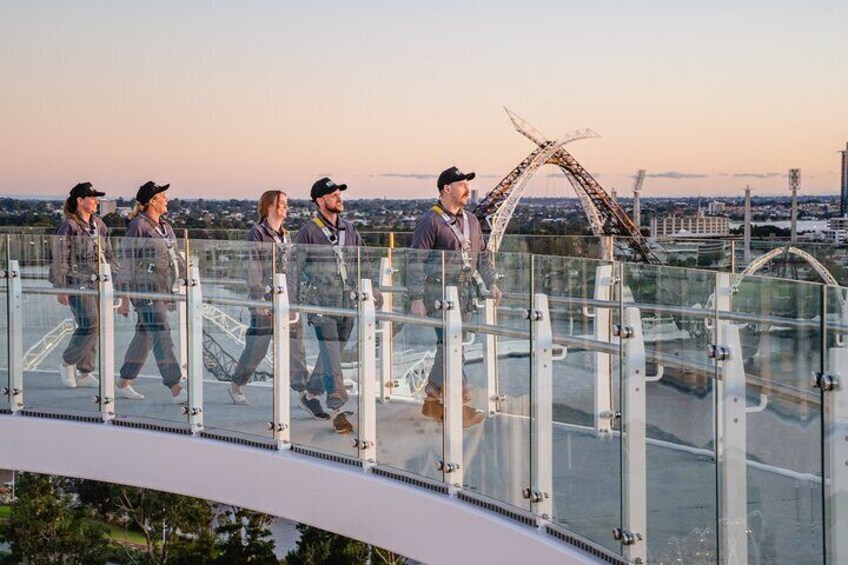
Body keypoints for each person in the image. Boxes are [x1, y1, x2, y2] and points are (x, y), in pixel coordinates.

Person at [408, 166, 502, 427]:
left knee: (450, 348)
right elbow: (416, 260)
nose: (467, 189)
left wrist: (491, 281)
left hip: (464, 295)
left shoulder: (471, 220)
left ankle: (432, 399)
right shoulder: (430, 222)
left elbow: (482, 254)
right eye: (461, 184)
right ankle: (459, 404)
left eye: (467, 184)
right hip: (438, 295)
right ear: (446, 189)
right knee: (453, 347)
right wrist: (416, 297)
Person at [295, 177, 380, 434]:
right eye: (333, 195)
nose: (339, 198)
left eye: (339, 194)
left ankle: (310, 393)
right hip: (321, 303)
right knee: (332, 354)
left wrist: (371, 287)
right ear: (320, 201)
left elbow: (361, 261)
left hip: (347, 301)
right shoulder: (308, 232)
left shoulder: (349, 229)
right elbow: (293, 269)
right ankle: (337, 408)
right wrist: (290, 304)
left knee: (332, 353)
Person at [228, 190, 309, 405]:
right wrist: (258, 297)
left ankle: (304, 393)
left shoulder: (286, 235)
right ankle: (237, 384)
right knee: (257, 348)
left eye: (286, 203)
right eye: (281, 203)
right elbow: (252, 266)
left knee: (296, 347)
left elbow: (291, 269)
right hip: (265, 299)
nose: (285, 207)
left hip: (287, 300)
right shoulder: (257, 233)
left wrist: (296, 300)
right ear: (268, 207)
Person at [115, 181, 187, 403]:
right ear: (151, 201)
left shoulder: (166, 228)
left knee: (145, 336)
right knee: (161, 333)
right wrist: (124, 298)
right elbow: (126, 264)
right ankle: (175, 386)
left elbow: (177, 257)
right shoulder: (138, 226)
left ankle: (124, 382)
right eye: (162, 197)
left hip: (162, 289)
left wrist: (186, 277)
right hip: (144, 291)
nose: (167, 200)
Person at [49, 182, 120, 388]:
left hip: (98, 283)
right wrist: (60, 288)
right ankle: (67, 362)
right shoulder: (69, 226)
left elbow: (108, 254)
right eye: (92, 198)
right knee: (91, 324)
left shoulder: (99, 225)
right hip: (76, 283)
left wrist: (118, 278)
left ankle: (85, 371)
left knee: (93, 327)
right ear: (80, 201)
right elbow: (60, 258)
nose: (97, 201)